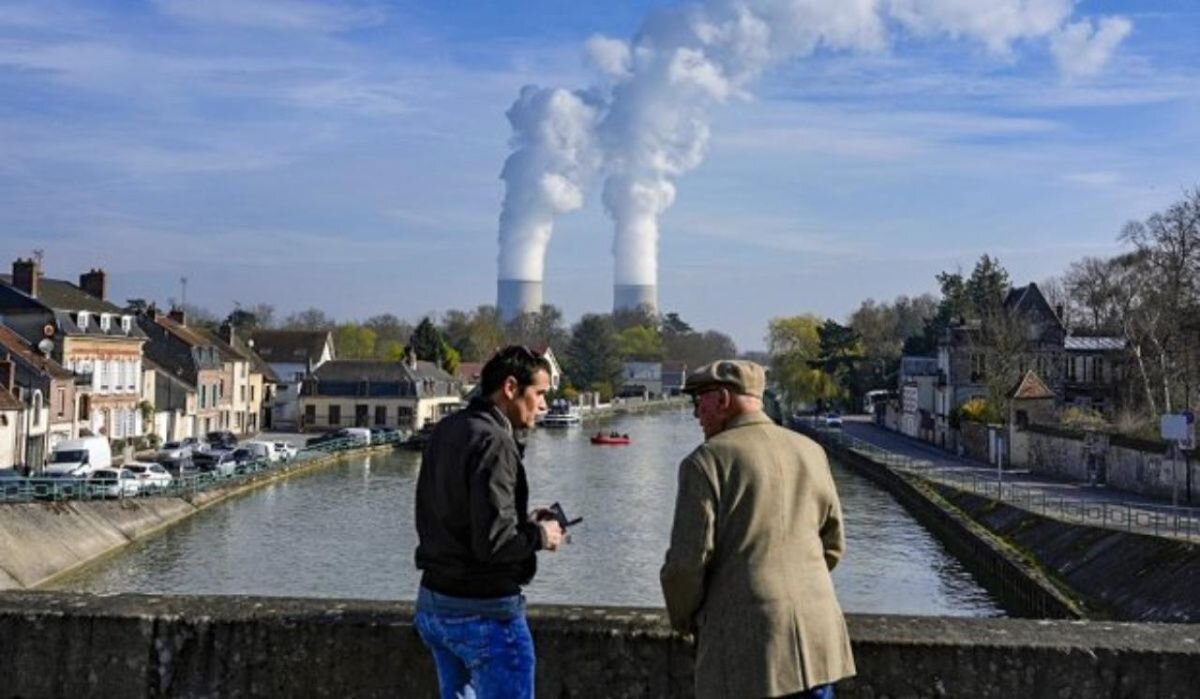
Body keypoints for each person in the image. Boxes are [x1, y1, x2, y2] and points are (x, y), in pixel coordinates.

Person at [661, 360, 855, 699]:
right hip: (817, 638)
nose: (696, 413)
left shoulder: (706, 461)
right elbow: (833, 543)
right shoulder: (811, 451)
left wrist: (683, 619)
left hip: (749, 645)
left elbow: (686, 564)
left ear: (723, 399)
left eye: (699, 400)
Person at [414, 345, 564, 699]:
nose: (544, 405)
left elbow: (455, 517)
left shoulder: (448, 429)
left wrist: (521, 522)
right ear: (510, 388)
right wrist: (540, 536)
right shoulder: (495, 442)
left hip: (434, 604)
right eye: (539, 393)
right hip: (484, 615)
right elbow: (495, 545)